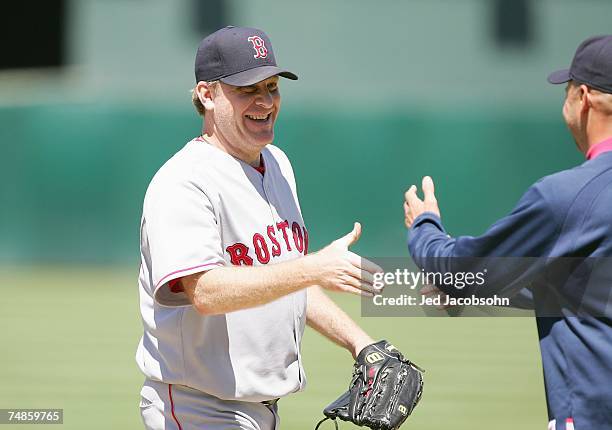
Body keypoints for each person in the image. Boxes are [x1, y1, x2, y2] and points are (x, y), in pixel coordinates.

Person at [136, 26, 382, 430]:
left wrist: (360, 344)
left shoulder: (279, 165)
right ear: (207, 94)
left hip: (258, 411)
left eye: (271, 87)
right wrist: (314, 267)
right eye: (247, 89)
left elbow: (284, 280)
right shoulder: (183, 181)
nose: (265, 101)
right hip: (198, 408)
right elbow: (206, 291)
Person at [404, 35, 612, 430]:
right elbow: (589, 288)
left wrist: (424, 226)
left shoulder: (569, 196)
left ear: (583, 97)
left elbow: (460, 270)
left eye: (566, 90)